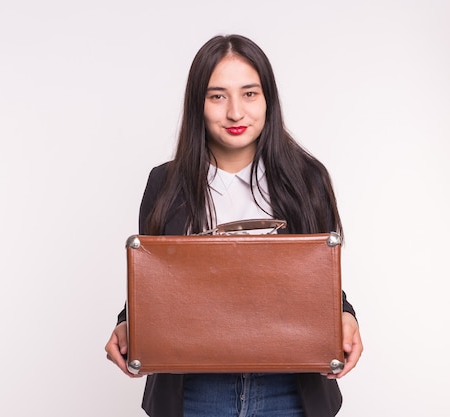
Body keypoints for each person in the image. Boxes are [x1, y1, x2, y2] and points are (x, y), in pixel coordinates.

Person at [105, 34, 363, 417]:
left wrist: (346, 314)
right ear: (198, 104)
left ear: (268, 99)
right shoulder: (165, 183)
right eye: (217, 96)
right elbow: (157, 279)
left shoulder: (308, 178)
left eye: (249, 94)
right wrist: (128, 324)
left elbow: (319, 276)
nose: (236, 113)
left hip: (289, 389)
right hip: (194, 389)